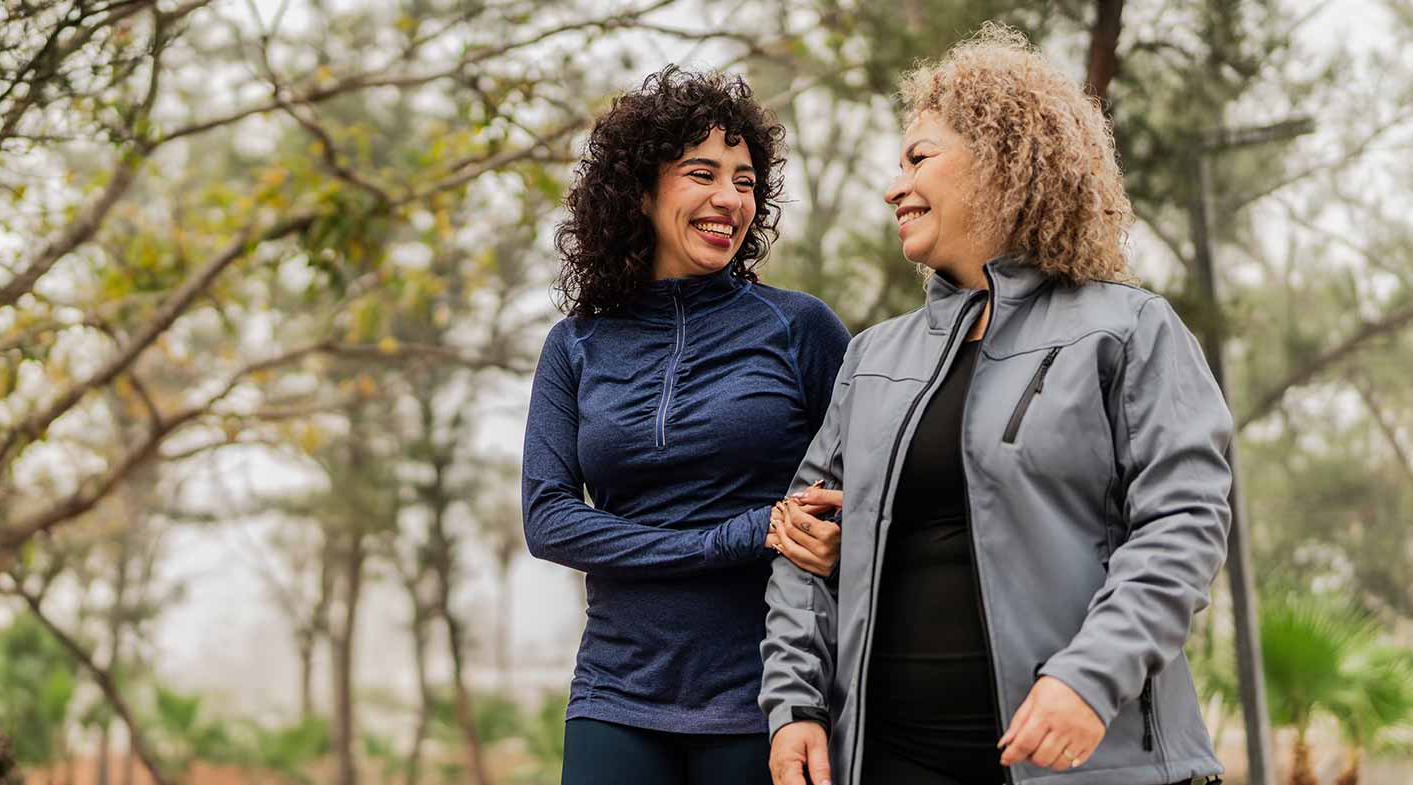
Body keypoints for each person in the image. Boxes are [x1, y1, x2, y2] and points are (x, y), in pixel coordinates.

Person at [761, 25, 1232, 785]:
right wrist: (796, 707)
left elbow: (1183, 525)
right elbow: (801, 546)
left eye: (918, 159)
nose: (894, 187)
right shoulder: (872, 358)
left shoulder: (1129, 329)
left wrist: (1089, 675)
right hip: (891, 762)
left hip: (1085, 761)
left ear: (1001, 160)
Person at [522, 65, 851, 785]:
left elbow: (865, 493)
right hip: (615, 694)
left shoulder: (800, 328)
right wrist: (729, 536)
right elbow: (548, 520)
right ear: (640, 192)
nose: (730, 198)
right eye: (703, 174)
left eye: (745, 181)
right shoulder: (577, 344)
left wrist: (836, 540)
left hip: (763, 698)